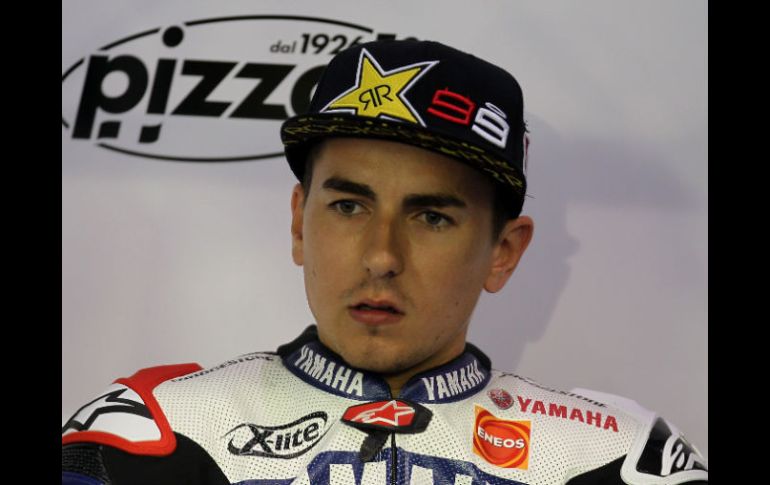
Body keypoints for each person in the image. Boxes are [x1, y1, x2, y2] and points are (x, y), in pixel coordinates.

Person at [62, 39, 708, 485]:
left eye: (432, 217)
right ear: (299, 222)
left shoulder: (618, 456)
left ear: (503, 252)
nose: (381, 256)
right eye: (349, 206)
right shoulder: (152, 432)